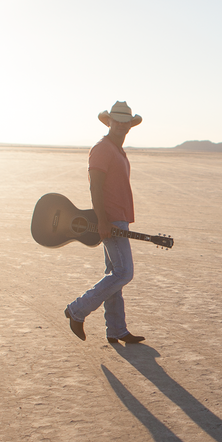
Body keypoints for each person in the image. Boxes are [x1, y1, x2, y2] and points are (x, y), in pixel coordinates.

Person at [64, 101, 146, 345]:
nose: (120, 125)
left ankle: (116, 330)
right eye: (116, 121)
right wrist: (102, 220)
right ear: (109, 122)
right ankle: (77, 310)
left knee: (113, 275)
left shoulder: (117, 150)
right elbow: (95, 186)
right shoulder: (102, 148)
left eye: (125, 122)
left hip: (118, 218)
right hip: (110, 220)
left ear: (130, 126)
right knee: (123, 273)